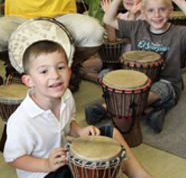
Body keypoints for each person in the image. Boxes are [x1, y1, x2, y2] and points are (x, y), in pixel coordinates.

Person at [3, 39, 154, 178]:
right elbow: (13, 158)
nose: (55, 75)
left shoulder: (66, 96)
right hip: (42, 173)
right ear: (28, 81)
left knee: (111, 134)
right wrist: (46, 164)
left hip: (63, 158)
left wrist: (80, 132)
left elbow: (68, 124)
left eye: (60, 67)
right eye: (44, 71)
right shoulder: (21, 121)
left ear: (69, 72)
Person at [85, 0, 186, 133]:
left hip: (164, 84)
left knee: (162, 89)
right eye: (150, 11)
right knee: (106, 74)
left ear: (170, 11)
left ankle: (108, 108)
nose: (156, 15)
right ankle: (150, 112)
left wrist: (181, 2)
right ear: (143, 12)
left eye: (162, 10)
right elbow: (108, 19)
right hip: (136, 81)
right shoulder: (138, 27)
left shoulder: (178, 33)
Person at [0, 0, 105, 92]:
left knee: (95, 32)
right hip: (19, 19)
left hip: (62, 17)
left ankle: (68, 65)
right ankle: (19, 67)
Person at [78, 0, 149, 83]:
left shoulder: (146, 19)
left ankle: (95, 77)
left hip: (135, 64)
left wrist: (133, 15)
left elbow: (128, 38)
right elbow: (112, 40)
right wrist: (109, 15)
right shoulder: (120, 16)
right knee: (87, 65)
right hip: (118, 60)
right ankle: (97, 75)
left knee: (109, 75)